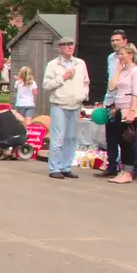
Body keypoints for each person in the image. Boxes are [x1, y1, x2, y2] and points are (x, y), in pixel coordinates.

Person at [43, 36, 89, 180]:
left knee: (71, 137)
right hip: (59, 104)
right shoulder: (53, 64)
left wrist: (83, 95)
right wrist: (63, 77)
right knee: (58, 137)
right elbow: (46, 85)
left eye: (72, 44)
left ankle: (66, 166)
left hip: (75, 104)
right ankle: (54, 167)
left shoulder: (80, 63)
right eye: (66, 45)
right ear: (60, 48)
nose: (70, 47)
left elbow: (86, 81)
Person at [106, 45, 137, 184]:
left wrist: (132, 111)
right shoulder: (123, 71)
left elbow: (136, 93)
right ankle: (123, 170)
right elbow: (112, 87)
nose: (120, 57)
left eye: (122, 54)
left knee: (128, 141)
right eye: (119, 55)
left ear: (130, 55)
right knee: (121, 141)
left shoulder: (135, 71)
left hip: (129, 108)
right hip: (120, 108)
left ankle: (129, 172)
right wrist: (118, 70)